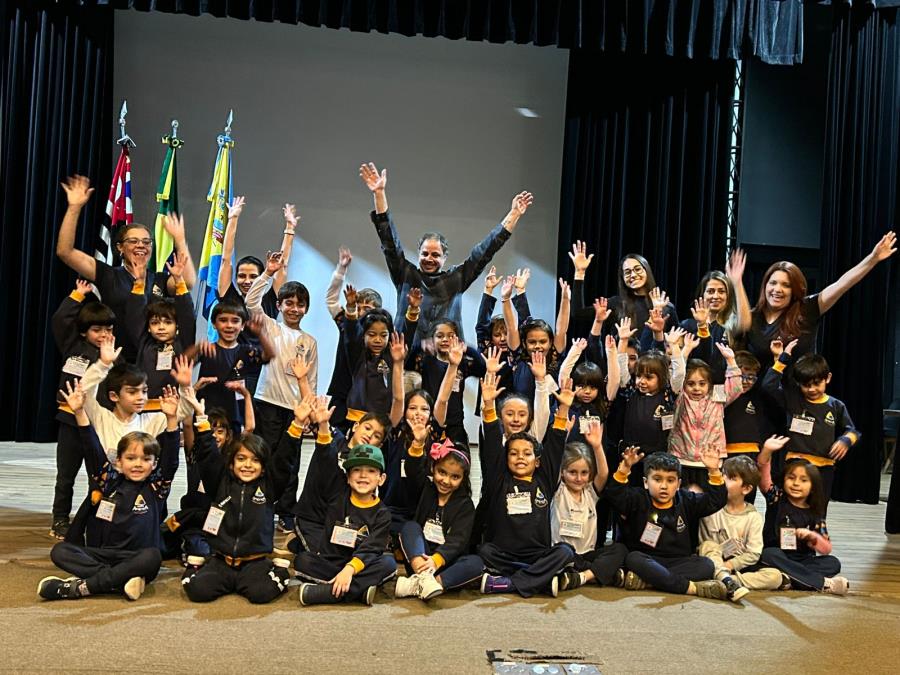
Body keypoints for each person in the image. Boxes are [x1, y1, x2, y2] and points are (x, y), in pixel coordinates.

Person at [360, 161, 533, 340]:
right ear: (418, 253)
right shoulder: (405, 275)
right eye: (425, 253)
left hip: (447, 358)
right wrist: (379, 194)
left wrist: (514, 214)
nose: (429, 258)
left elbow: (486, 250)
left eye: (435, 255)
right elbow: (389, 241)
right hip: (404, 355)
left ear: (444, 258)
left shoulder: (455, 279)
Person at [39, 381, 179, 601]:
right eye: (131, 458)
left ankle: (81, 588)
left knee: (153, 556)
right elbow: (92, 448)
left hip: (137, 558)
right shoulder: (108, 481)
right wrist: (79, 412)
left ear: (153, 464)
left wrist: (171, 420)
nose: (138, 464)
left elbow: (171, 461)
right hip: (103, 556)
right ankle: (119, 581)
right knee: (60, 551)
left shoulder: (156, 487)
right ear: (119, 461)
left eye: (145, 459)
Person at [180, 395, 305, 604]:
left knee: (261, 594)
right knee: (197, 591)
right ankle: (196, 567)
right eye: (241, 459)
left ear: (264, 467)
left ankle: (279, 570)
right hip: (221, 561)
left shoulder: (269, 486)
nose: (248, 465)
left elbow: (284, 459)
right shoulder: (219, 482)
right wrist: (201, 419)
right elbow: (209, 457)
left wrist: (298, 424)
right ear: (230, 463)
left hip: (254, 563)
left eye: (255, 460)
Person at [56, 175, 196, 361]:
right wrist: (74, 208)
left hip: (150, 363)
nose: (141, 246)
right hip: (113, 360)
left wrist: (179, 239)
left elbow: (188, 282)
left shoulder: (159, 280)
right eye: (133, 241)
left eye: (147, 242)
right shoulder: (108, 275)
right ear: (120, 247)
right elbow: (65, 252)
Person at [476, 373, 575, 597]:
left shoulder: (544, 480)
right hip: (502, 553)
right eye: (513, 454)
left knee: (565, 552)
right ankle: (539, 579)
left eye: (527, 454)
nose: (520, 458)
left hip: (537, 553)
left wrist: (563, 410)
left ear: (537, 461)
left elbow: (555, 447)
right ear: (506, 458)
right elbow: (492, 445)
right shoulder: (499, 478)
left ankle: (508, 583)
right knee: (483, 551)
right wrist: (489, 406)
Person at [743, 231, 896, 372]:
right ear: (765, 285)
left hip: (799, 395)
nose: (777, 289)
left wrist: (873, 258)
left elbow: (842, 284)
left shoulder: (807, 308)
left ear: (795, 290)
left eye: (786, 285)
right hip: (757, 397)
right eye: (773, 283)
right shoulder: (752, 317)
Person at [245, 249, 318, 530]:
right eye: (288, 303)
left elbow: (311, 379)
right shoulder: (271, 328)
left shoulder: (309, 341)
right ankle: (261, 506)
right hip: (268, 403)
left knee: (290, 462)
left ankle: (287, 511)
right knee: (265, 456)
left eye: (300, 305)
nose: (294, 309)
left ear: (306, 309)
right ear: (279, 305)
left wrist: (309, 412)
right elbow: (251, 301)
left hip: (296, 411)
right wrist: (268, 273)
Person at [603, 448, 729, 600]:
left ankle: (649, 581)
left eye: (670, 480)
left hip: (678, 561)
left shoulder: (686, 500)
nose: (664, 486)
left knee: (706, 565)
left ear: (678, 484)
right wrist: (624, 469)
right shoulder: (638, 498)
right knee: (633, 558)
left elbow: (716, 500)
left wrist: (714, 470)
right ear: (645, 482)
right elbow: (614, 495)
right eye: (657, 479)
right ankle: (689, 588)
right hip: (646, 559)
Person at [49, 279, 116, 539]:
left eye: (107, 330)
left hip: (97, 426)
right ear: (83, 331)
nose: (102, 335)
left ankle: (93, 519)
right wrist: (77, 295)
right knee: (65, 475)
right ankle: (59, 519)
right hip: (69, 420)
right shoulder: (72, 346)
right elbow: (60, 320)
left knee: (97, 478)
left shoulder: (113, 356)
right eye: (97, 330)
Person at [295, 443, 397, 606]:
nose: (363, 475)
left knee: (388, 564)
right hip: (333, 563)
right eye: (357, 470)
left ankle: (329, 592)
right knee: (303, 560)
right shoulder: (337, 502)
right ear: (348, 477)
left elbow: (371, 548)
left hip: (362, 565)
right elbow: (325, 461)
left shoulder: (383, 514)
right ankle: (358, 591)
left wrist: (350, 569)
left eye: (371, 471)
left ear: (381, 479)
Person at [760, 340, 859, 506]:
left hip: (824, 467)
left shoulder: (835, 405)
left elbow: (853, 430)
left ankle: (818, 533)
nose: (812, 389)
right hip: (795, 464)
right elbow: (768, 386)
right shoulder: (793, 399)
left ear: (827, 378)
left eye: (816, 384)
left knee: (818, 509)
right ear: (799, 384)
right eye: (806, 385)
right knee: (789, 508)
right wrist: (782, 359)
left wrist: (846, 440)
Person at [217, 196, 295, 392]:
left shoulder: (269, 301)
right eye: (242, 276)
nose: (247, 281)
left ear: (262, 277)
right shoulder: (229, 297)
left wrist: (290, 229)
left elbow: (282, 267)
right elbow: (226, 259)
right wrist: (233, 218)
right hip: (228, 364)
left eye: (253, 276)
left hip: (260, 370)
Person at [754, 436, 850, 594]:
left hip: (803, 560)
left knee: (833, 563)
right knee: (769, 555)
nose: (796, 483)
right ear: (784, 480)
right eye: (791, 478)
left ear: (812, 487)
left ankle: (790, 578)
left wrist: (812, 537)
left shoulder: (815, 512)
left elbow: (826, 548)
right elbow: (764, 478)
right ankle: (822, 583)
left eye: (804, 480)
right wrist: (767, 451)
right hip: (778, 555)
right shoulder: (777, 498)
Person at [394, 438, 484, 600]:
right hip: (419, 560)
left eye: (455, 477)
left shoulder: (465, 505)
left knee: (476, 562)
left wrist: (436, 560)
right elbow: (412, 470)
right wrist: (417, 445)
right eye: (442, 472)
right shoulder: (426, 489)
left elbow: (458, 540)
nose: (446, 481)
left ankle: (425, 584)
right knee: (410, 527)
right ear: (433, 468)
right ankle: (424, 579)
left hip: (445, 563)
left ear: (463, 479)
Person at [551, 420, 628, 591]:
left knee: (619, 550)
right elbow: (554, 463)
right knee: (561, 554)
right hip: (563, 554)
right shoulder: (557, 490)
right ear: (562, 473)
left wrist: (597, 446)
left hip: (587, 555)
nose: (579, 478)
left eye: (584, 473)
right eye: (572, 472)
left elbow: (604, 473)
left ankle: (583, 576)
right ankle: (602, 574)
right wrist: (561, 438)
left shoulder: (590, 493)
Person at [698, 455, 783, 601]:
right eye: (723, 475)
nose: (723, 480)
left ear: (746, 488)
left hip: (736, 568)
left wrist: (729, 565)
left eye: (731, 478)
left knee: (775, 577)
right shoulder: (709, 507)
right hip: (710, 562)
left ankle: (728, 581)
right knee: (708, 545)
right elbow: (705, 547)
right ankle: (724, 580)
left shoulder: (753, 517)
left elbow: (754, 553)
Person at [667, 341, 743, 490]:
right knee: (683, 503)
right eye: (691, 384)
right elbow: (675, 378)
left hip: (711, 461)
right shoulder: (681, 398)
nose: (696, 388)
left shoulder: (717, 396)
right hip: (681, 459)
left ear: (709, 384)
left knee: (707, 504)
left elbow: (736, 388)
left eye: (702, 384)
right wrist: (685, 352)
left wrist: (731, 361)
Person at [122, 252, 195, 400]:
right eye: (155, 323)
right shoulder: (144, 342)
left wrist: (179, 280)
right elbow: (134, 315)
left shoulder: (183, 342)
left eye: (168, 322)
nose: (161, 327)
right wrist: (140, 283)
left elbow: (187, 315)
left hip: (172, 409)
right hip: (143, 408)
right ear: (148, 327)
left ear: (177, 326)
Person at [673, 250, 751, 383]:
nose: (716, 296)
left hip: (722, 391)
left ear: (728, 296)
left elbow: (745, 323)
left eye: (721, 291)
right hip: (691, 390)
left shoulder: (730, 325)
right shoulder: (687, 325)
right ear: (702, 295)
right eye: (710, 291)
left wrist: (737, 283)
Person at [723, 351, 770, 503]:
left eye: (752, 378)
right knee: (725, 497)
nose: (747, 381)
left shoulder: (756, 398)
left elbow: (771, 386)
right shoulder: (723, 397)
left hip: (752, 455)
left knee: (748, 498)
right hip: (727, 454)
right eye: (742, 376)